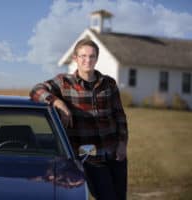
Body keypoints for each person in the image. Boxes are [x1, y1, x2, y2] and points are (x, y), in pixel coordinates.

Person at [30, 38, 128, 200]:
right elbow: (36, 90)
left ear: (97, 58)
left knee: (120, 197)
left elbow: (119, 115)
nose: (87, 60)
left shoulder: (109, 83)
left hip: (115, 153)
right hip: (89, 158)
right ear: (75, 58)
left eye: (92, 56)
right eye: (83, 56)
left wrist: (123, 143)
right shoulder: (63, 82)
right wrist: (58, 102)